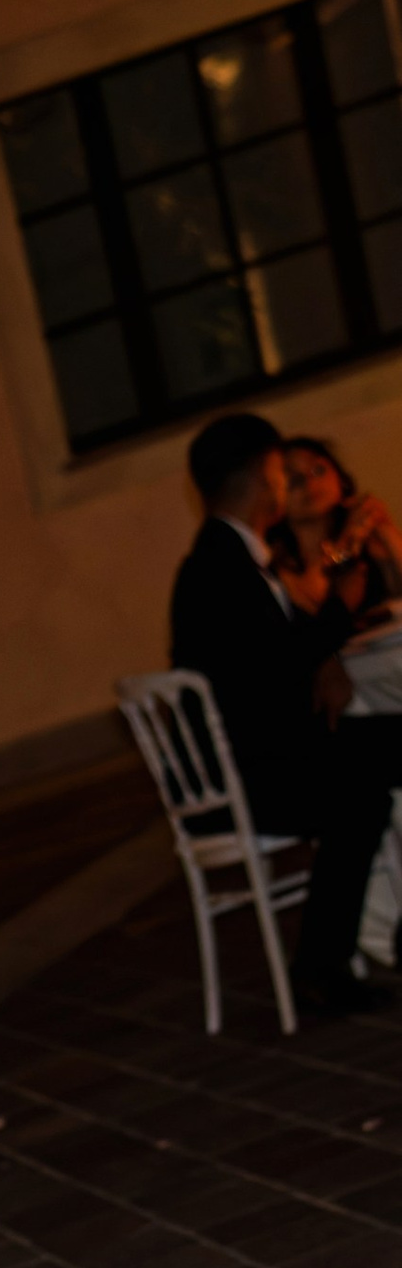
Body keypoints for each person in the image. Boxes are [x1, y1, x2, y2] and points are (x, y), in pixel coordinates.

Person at [168, 408, 402, 1017]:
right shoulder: (221, 567)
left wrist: (325, 652)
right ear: (261, 476)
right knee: (366, 782)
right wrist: (341, 600)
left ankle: (323, 967)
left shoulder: (228, 557)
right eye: (281, 470)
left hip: (273, 757)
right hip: (264, 772)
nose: (285, 482)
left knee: (367, 794)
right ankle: (327, 966)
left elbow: (280, 654)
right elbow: (282, 662)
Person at [270, 435, 402, 630]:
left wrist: (384, 528)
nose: (309, 483)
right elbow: (314, 613)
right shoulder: (276, 559)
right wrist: (345, 543)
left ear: (340, 478)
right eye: (294, 480)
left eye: (318, 470)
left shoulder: (366, 540)